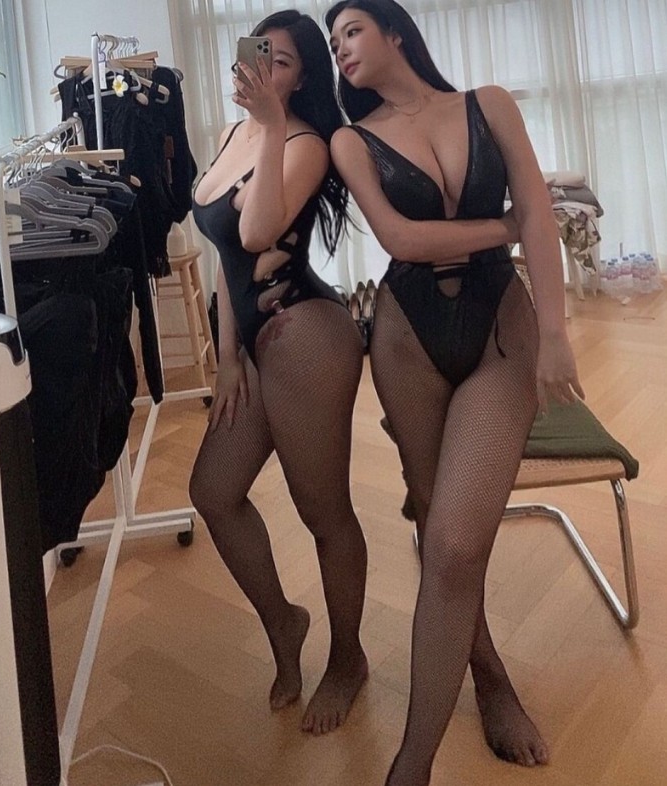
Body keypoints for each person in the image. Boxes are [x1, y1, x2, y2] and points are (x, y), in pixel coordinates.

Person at [326, 0, 584, 782]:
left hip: (501, 325)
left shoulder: (488, 104)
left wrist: (556, 332)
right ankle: (488, 672)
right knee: (436, 520)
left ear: (394, 30)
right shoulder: (350, 139)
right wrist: (507, 228)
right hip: (407, 338)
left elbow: (539, 210)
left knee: (454, 543)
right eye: (331, 42)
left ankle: (410, 764)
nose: (341, 48)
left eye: (351, 30)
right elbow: (402, 239)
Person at [190, 10, 368, 736]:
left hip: (306, 339)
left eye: (284, 62)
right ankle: (284, 622)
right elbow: (226, 257)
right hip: (255, 345)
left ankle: (349, 658)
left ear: (303, 79)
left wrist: (269, 124)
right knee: (213, 491)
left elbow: (258, 231)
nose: (265, 70)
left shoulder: (305, 144)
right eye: (259, 54)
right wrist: (228, 356)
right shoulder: (231, 134)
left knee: (323, 512)